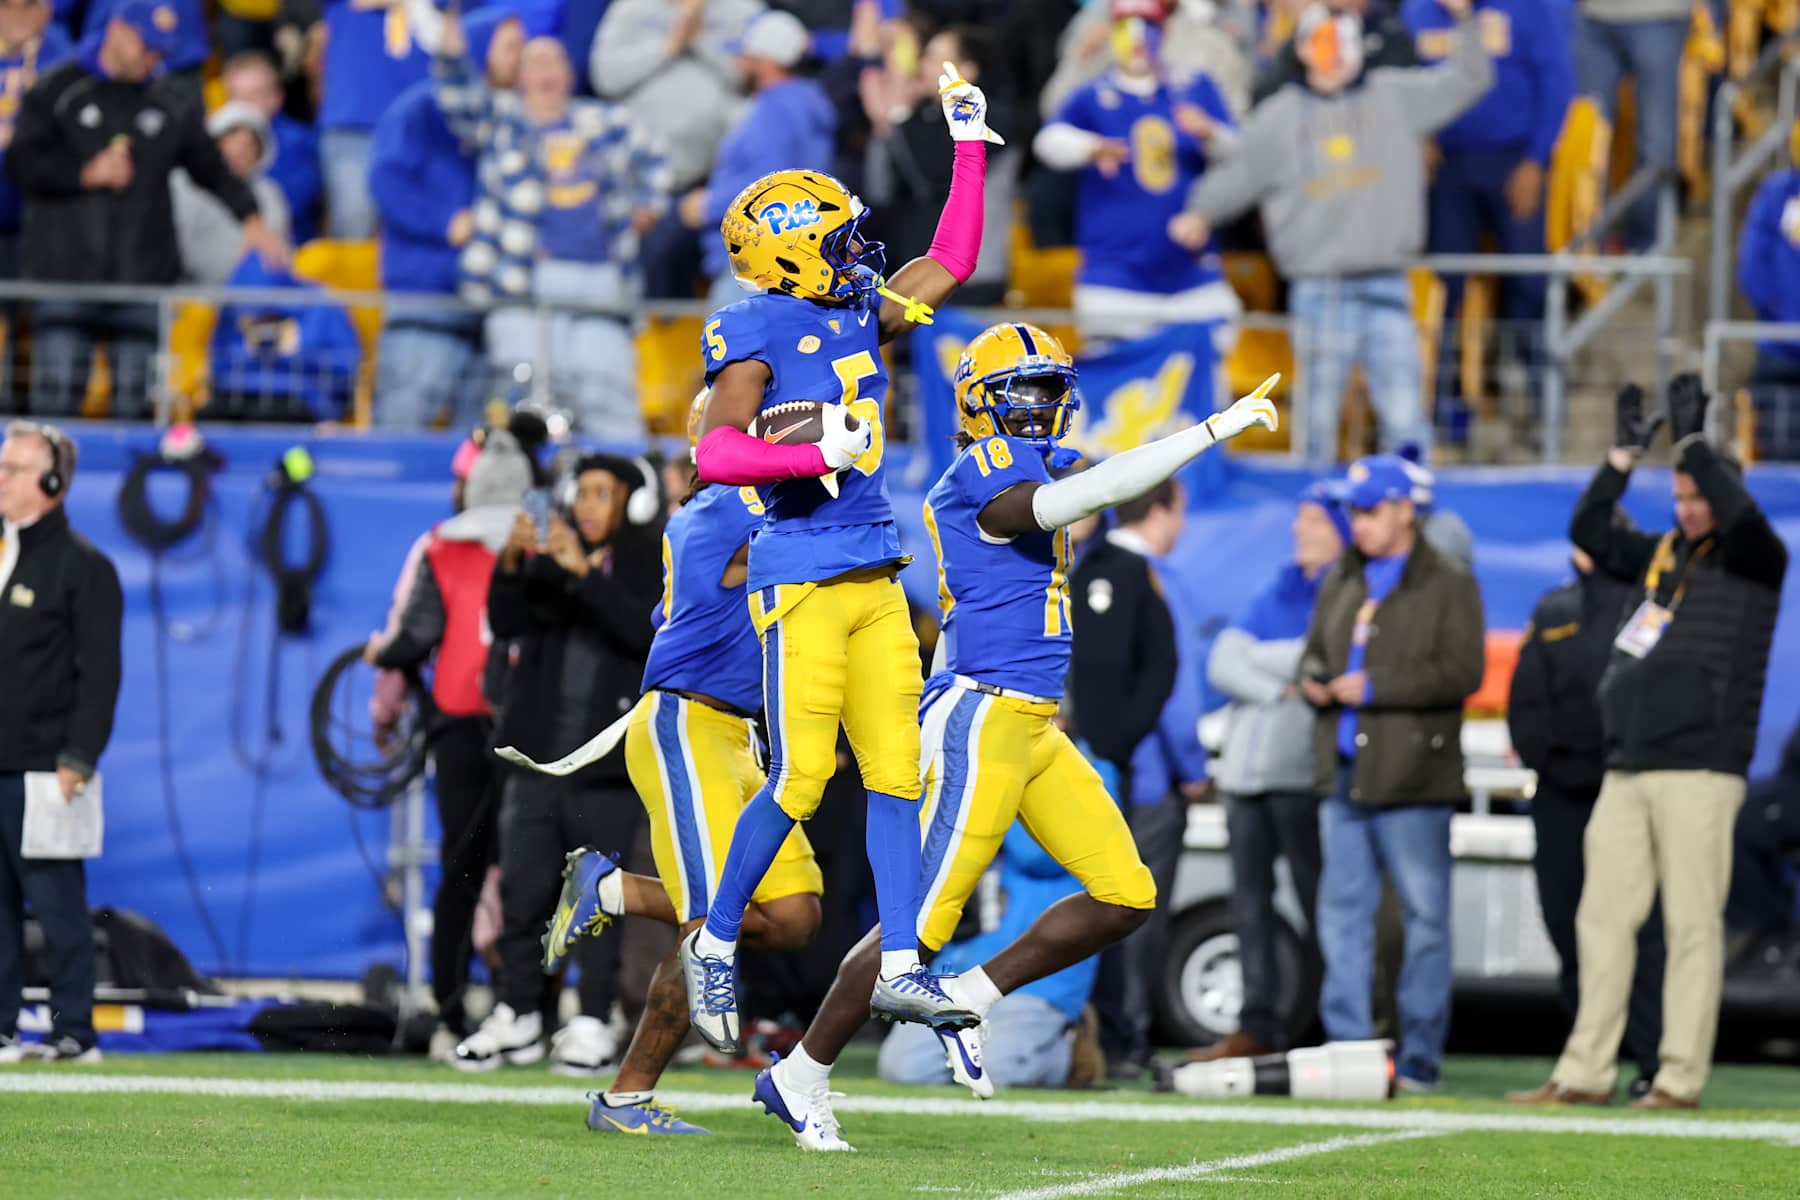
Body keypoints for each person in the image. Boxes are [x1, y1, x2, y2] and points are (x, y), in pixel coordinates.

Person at [749, 324, 1277, 1149]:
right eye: (1022, 391)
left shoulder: (1029, 460)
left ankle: (974, 997)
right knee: (908, 935)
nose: (1041, 407)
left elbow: (1079, 483)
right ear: (980, 399)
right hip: (980, 715)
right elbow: (1073, 500)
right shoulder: (982, 470)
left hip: (1034, 719)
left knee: (1126, 896)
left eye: (1049, 391)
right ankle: (801, 1073)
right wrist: (1207, 431)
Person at [677, 62, 1004, 1057]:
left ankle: (901, 965)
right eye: (831, 238)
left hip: (873, 564)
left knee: (897, 776)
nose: (853, 247)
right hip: (800, 567)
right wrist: (815, 452)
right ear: (784, 258)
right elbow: (713, 452)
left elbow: (949, 259)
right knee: (805, 776)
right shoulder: (756, 325)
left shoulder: (856, 303)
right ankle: (717, 937)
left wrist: (970, 150)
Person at [538, 393, 824, 1137]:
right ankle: (627, 1100)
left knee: (794, 915)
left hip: (741, 739)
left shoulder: (749, 507)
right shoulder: (726, 507)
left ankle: (613, 889)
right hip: (687, 724)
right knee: (709, 927)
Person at [1510, 377, 1788, 1110]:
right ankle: (1584, 1072)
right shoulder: (1664, 554)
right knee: (1600, 918)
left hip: (1701, 768)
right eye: (1682, 496)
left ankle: (1677, 1077)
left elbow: (1737, 513)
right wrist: (1623, 455)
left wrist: (1695, 443)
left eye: (1700, 495)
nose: (1689, 508)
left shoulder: (1758, 557)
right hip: (1627, 766)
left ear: (1726, 490)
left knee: (1691, 926)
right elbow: (1590, 530)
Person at [1169, 0, 1494, 463]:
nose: (1337, 52)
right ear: (1302, 49)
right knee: (1317, 422)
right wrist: (1200, 211)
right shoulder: (1280, 116)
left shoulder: (1395, 95)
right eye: (1324, 41)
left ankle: (1410, 512)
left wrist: (1464, 21)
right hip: (1319, 288)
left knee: (1404, 415)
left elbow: (1469, 80)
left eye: (1346, 40)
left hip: (1387, 282)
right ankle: (1317, 514)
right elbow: (1239, 172)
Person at [455, 454, 664, 1074]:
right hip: (537, 760)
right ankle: (516, 1014)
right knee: (522, 895)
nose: (592, 504)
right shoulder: (547, 562)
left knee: (598, 903)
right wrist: (514, 560)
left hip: (605, 768)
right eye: (586, 492)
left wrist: (584, 575)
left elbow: (645, 634)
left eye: (606, 493)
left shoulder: (653, 562)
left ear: (635, 502)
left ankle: (592, 1020)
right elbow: (505, 619)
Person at [1300, 452, 1486, 1091]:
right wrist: (1314, 680)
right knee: (1342, 919)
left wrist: (1376, 687)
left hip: (1414, 778)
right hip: (1346, 773)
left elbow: (1465, 673)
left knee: (1425, 921)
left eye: (1371, 510)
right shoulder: (1342, 575)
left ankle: (1419, 1062)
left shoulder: (1448, 580)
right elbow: (1315, 650)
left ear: (1407, 511)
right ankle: (1353, 1057)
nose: (1359, 523)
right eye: (1352, 511)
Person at [6, 0, 284, 418]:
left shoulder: (168, 99)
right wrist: (84, 173)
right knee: (54, 410)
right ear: (118, 30)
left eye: (161, 50)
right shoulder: (57, 89)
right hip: (65, 278)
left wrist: (251, 217)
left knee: (134, 413)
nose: (152, 58)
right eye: (146, 46)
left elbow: (211, 167)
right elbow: (20, 163)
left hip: (140, 282)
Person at [364, 428, 534, 1055]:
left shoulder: (439, 547)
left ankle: (452, 1008)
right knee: (529, 873)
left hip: (459, 724)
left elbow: (413, 638)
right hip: (532, 729)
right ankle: (526, 1009)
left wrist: (383, 671)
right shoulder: (539, 541)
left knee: (460, 870)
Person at [435, 6, 672, 438]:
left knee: (608, 393)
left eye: (554, 62)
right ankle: (515, 488)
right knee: (521, 394)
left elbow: (657, 161)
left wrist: (648, 206)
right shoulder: (503, 121)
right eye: (534, 63)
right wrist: (449, 44)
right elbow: (458, 94)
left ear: (568, 74)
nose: (545, 72)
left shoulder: (605, 121)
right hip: (525, 282)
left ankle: (626, 485)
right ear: (520, 78)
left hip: (601, 278)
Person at [1195, 481, 1347, 1061]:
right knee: (1249, 906)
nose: (1298, 530)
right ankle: (1258, 1025)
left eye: (1311, 520)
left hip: (1301, 776)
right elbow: (1220, 663)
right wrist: (1283, 687)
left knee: (1322, 906)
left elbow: (1322, 659)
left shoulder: (1346, 588)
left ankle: (1337, 1025)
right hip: (1244, 778)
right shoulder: (1280, 586)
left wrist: (1268, 667)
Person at [1508, 538, 1665, 1095]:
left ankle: (1652, 1062)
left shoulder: (1656, 610)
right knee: (1569, 923)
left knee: (1641, 928)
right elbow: (1526, 698)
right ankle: (1586, 1062)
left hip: (1627, 784)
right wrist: (1550, 763)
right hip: (1562, 794)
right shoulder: (1555, 611)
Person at [1077, 475, 1209, 1079]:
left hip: (1085, 766)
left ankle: (1097, 1038)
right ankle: (1128, 1041)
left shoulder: (1082, 571)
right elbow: (1172, 688)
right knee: (1134, 911)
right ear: (1163, 509)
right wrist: (1193, 768)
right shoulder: (1155, 579)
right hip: (1147, 775)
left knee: (1088, 904)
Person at [0, 421, 122, 1064]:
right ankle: (2, 1026)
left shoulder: (83, 566)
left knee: (56, 903)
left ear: (51, 482)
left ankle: (74, 1030)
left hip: (47, 768)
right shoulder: (3, 554)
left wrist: (79, 757)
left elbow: (99, 675)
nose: (1, 478)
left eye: (13, 468)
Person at [1033, 0, 1241, 349]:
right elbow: (1048, 140)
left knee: (1210, 377)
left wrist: (1211, 132)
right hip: (1116, 271)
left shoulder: (1193, 84)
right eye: (1126, 29)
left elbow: (1243, 154)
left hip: (1191, 269)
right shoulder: (1094, 93)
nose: (1138, 40)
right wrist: (1089, 147)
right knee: (1118, 383)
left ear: (1166, 32)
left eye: (1147, 28)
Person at [1402, 0, 1572, 416]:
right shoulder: (1417, 11)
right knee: (1444, 284)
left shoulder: (1529, 9)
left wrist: (1537, 159)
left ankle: (1543, 404)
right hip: (1446, 166)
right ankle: (1443, 403)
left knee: (1530, 281)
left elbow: (1559, 84)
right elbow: (1399, 82)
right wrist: (1415, 133)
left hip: (1514, 162)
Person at [368, 4, 526, 431]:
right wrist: (444, 222)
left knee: (479, 446)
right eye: (510, 46)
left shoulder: (517, 121)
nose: (521, 56)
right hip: (426, 300)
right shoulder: (421, 107)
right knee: (401, 427)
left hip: (495, 308)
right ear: (477, 48)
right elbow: (386, 181)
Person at [876, 826, 1099, 1091]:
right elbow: (924, 838)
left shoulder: (1085, 784)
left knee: (994, 1069)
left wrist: (994, 809)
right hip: (958, 969)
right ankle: (976, 1046)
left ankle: (1069, 1045)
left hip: (1036, 980)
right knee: (904, 1068)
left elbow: (1042, 852)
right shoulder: (961, 786)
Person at [588, 0, 764, 299]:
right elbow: (604, 77)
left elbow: (757, 74)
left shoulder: (742, 9)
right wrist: (669, 45)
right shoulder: (631, 9)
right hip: (642, 181)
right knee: (655, 259)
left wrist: (699, 39)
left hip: (720, 178)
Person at [679, 9, 837, 305]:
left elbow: (770, 187)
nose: (738, 61)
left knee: (742, 351)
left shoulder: (777, 109)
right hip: (793, 263)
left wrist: (708, 204)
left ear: (766, 60)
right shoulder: (805, 101)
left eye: (746, 54)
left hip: (759, 267)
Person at [1571, 0, 1688, 249]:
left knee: (1657, 143)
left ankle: (1645, 247)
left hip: (1658, 14)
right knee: (1587, 142)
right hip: (1592, 16)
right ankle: (1590, 255)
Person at [170, 101, 292, 285]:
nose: (239, 151)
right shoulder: (184, 185)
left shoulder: (269, 193)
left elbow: (280, 248)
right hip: (198, 293)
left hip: (258, 290)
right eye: (232, 140)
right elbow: (173, 252)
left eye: (249, 145)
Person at [1734, 127, 1800, 461]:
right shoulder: (1776, 193)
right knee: (1780, 463)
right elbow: (1752, 267)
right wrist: (1782, 316)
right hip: (1778, 350)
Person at [221, 48, 323, 245]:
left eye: (255, 94)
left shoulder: (302, 142)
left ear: (277, 98)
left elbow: (293, 206)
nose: (245, 106)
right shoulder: (213, 144)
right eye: (238, 97)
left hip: (291, 252)